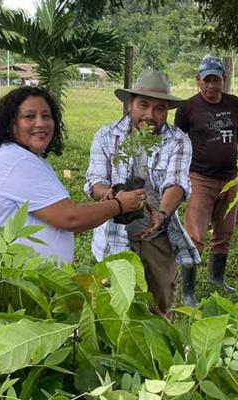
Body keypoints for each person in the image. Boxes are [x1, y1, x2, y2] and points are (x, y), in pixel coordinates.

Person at [0, 86, 146, 265]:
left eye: (46, 116)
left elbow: (56, 218)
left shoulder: (26, 157)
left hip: (30, 279)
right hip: (17, 280)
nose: (40, 123)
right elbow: (70, 218)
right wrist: (119, 205)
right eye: (29, 116)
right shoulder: (15, 161)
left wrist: (106, 206)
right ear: (11, 124)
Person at [85, 69, 200, 315]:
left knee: (158, 307)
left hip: (155, 238)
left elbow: (176, 183)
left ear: (167, 111)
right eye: (144, 105)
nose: (150, 114)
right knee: (113, 308)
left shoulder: (178, 141)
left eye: (159, 108)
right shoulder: (107, 136)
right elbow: (95, 181)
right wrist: (110, 196)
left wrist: (160, 213)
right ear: (130, 104)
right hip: (113, 237)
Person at [175, 56, 238, 305]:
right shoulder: (187, 108)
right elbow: (176, 143)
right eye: (206, 80)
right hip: (200, 179)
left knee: (224, 232)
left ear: (224, 80)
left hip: (230, 180)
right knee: (195, 236)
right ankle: (187, 291)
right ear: (198, 80)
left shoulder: (234, 104)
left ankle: (217, 278)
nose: (211, 86)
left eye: (216, 80)